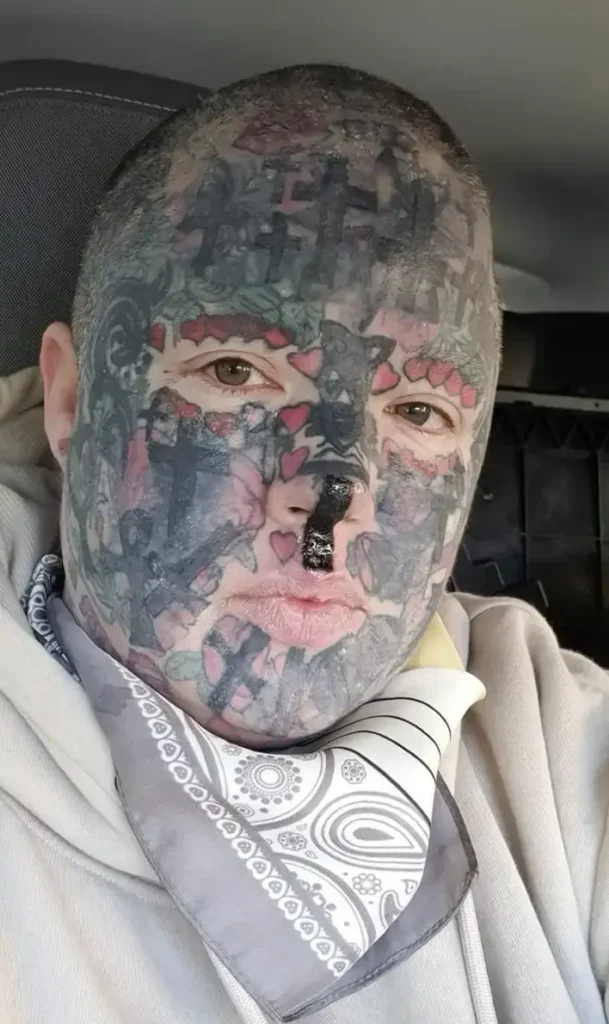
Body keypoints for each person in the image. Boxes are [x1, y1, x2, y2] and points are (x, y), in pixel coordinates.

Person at [1, 63, 608, 1024]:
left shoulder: (549, 740)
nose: (336, 503)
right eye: (235, 371)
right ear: (73, 402)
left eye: (419, 410)